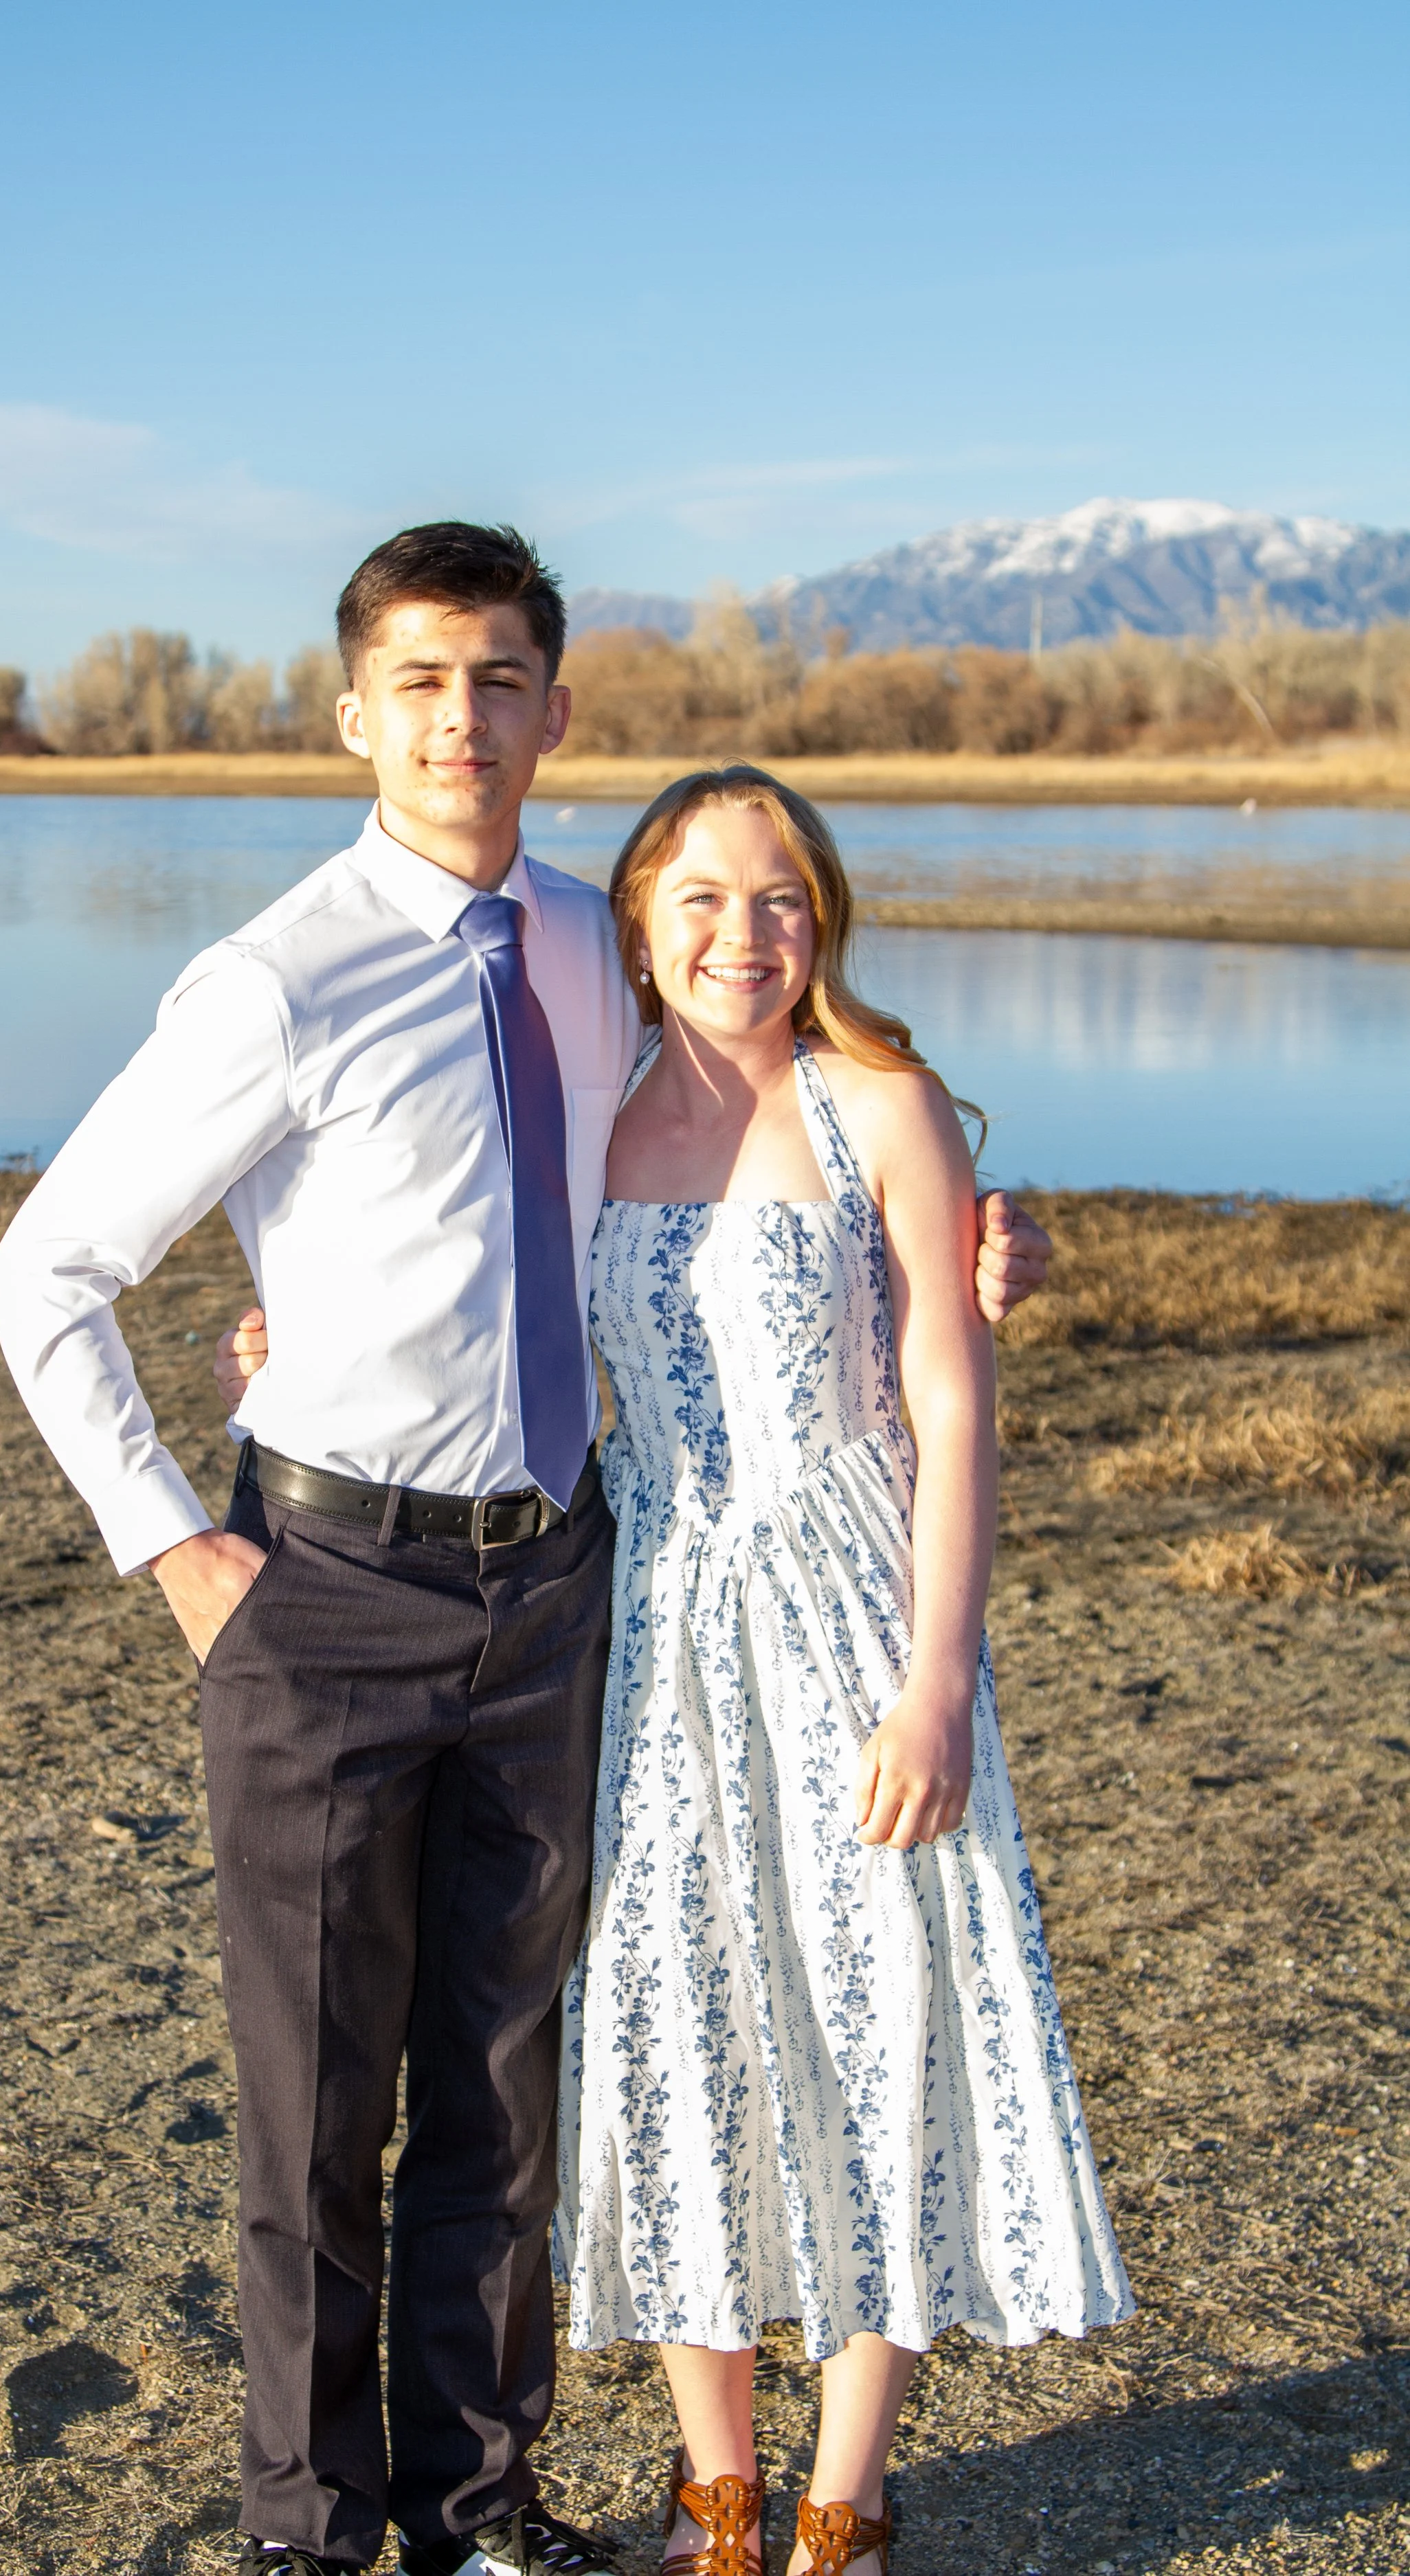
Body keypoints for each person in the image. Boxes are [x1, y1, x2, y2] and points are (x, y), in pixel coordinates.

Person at [0, 523, 1053, 2576]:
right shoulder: (274, 976)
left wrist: (992, 1238)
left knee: (504, 2084)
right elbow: (49, 1272)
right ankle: (312, 2532)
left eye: (496, 680)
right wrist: (181, 1550)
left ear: (554, 712)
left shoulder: (599, 939)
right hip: (325, 1592)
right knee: (315, 2113)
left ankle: (477, 2512)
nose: (458, 717)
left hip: (566, 1584)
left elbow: (776, 1144)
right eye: (416, 679)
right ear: (350, 713)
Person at [559, 770, 1131, 2576]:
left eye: (783, 895)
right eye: (705, 896)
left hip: (854, 1621)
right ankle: (714, 2488)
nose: (745, 932)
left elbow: (950, 1393)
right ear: (639, 917)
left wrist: (937, 1676)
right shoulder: (575, 1106)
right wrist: (293, 1335)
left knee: (885, 2024)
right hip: (652, 1634)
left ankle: (844, 2495)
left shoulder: (880, 1103)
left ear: (827, 918)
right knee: (677, 2023)